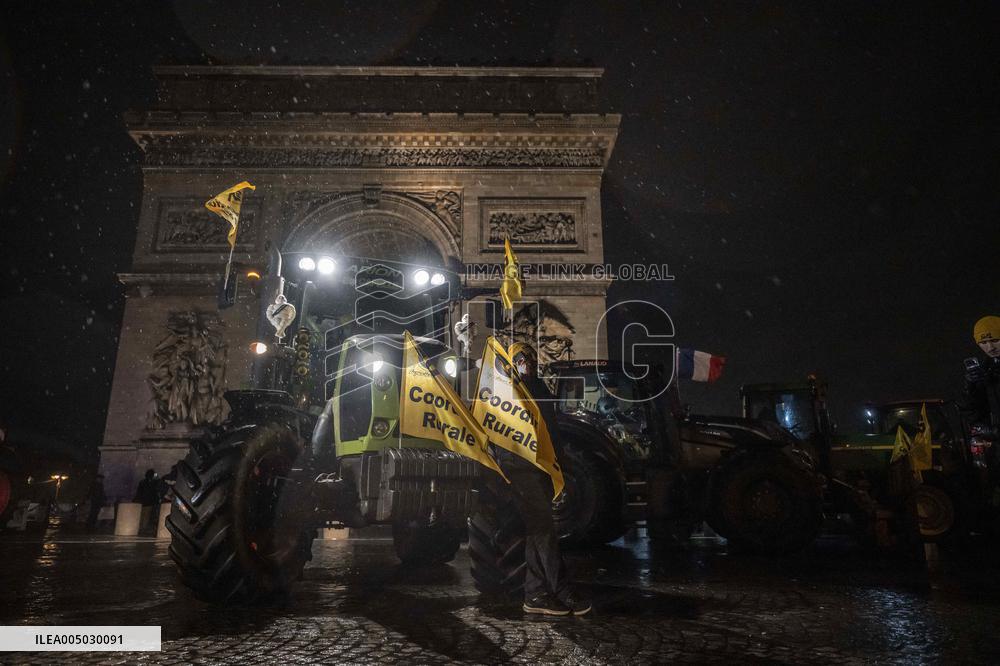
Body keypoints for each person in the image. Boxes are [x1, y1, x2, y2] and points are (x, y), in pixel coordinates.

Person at [497, 342, 590, 617]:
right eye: (521, 359)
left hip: (541, 467)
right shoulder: (506, 392)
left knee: (537, 532)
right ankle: (561, 590)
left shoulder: (539, 389)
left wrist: (558, 466)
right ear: (512, 363)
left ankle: (535, 593)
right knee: (543, 529)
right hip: (518, 467)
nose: (527, 364)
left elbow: (552, 431)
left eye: (530, 359)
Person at [961, 316, 1000, 436]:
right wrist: (970, 387)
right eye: (983, 342)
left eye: (995, 340)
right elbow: (974, 411)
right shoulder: (986, 368)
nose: (990, 347)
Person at [134, 469, 159, 533]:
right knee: (146, 516)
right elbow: (155, 492)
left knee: (142, 515)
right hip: (149, 501)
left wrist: (137, 499)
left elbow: (139, 492)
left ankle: (140, 528)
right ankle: (143, 528)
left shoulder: (142, 482)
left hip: (142, 501)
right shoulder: (154, 483)